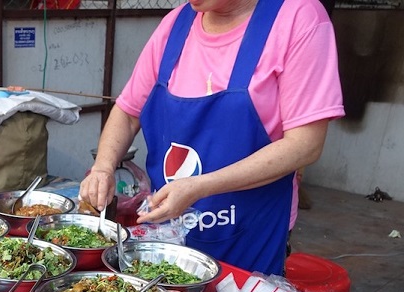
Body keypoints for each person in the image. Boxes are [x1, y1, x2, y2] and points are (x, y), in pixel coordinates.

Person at [80, 0, 344, 275]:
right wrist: (103, 166)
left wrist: (198, 187)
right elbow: (128, 112)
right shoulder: (176, 24)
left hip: (249, 238)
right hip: (171, 236)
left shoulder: (297, 18)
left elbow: (305, 145)